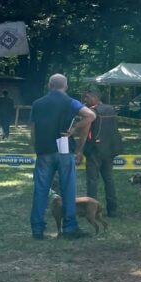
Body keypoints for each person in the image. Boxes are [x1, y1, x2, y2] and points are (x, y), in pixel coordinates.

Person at [29, 74, 96, 239]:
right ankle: (69, 228)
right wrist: (75, 129)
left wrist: (35, 147)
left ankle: (37, 230)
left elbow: (33, 130)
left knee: (40, 190)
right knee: (68, 189)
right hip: (65, 150)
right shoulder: (70, 102)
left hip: (44, 150)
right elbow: (91, 115)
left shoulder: (37, 104)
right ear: (65, 86)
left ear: (49, 85)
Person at [81, 88, 123, 217]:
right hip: (110, 150)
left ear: (93, 97)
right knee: (109, 179)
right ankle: (113, 209)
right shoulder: (111, 109)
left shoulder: (91, 112)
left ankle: (91, 210)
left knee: (92, 181)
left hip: (95, 151)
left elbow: (85, 133)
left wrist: (80, 149)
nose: (84, 100)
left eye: (86, 97)